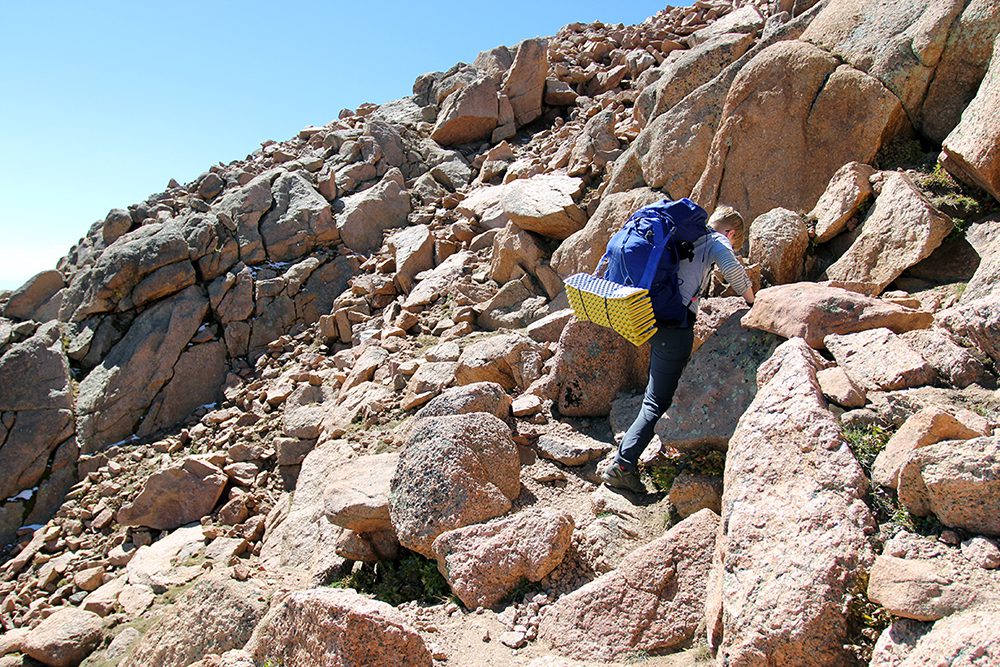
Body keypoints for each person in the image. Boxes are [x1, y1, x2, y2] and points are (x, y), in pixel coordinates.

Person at [600, 205, 755, 493]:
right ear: (731, 233)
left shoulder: (679, 235)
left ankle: (639, 454)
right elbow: (732, 269)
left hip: (647, 314)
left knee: (657, 391)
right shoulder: (716, 240)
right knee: (657, 402)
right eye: (735, 241)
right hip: (674, 326)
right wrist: (752, 301)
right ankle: (622, 466)